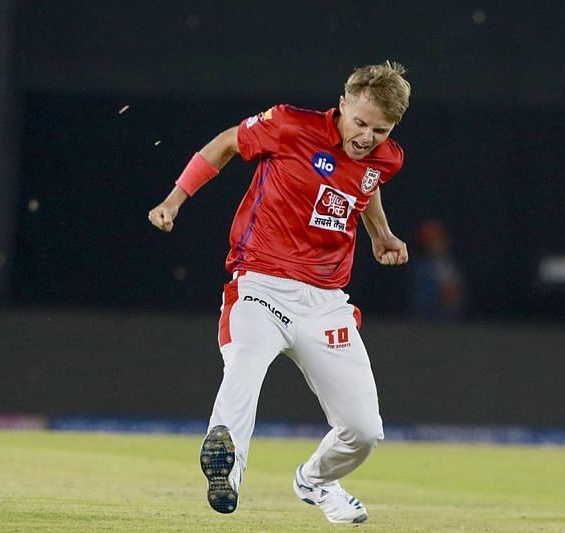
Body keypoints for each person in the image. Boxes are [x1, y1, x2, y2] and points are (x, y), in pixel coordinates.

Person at [148, 61, 411, 523]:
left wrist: (380, 234)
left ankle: (316, 480)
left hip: (327, 302)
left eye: (381, 129)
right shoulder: (289, 125)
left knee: (364, 431)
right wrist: (174, 200)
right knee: (244, 362)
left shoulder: (387, 157)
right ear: (343, 104)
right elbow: (228, 142)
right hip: (261, 280)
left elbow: (366, 186)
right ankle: (226, 470)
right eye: (361, 122)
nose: (368, 136)